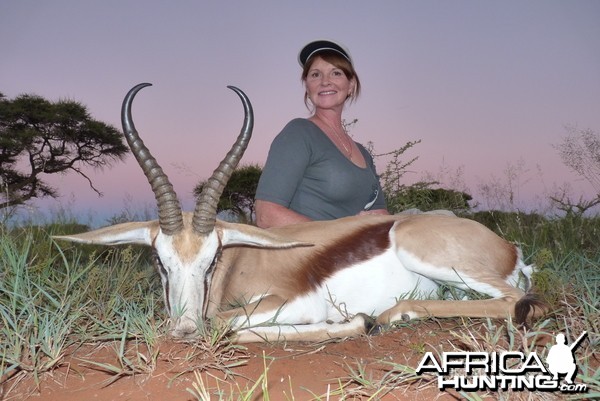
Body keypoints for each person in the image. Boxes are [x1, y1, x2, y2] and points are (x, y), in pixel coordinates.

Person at [255, 39, 389, 228]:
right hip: (314, 254)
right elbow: (266, 216)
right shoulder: (299, 133)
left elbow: (380, 213)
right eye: (315, 75)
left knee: (439, 218)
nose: (325, 81)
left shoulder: (364, 153)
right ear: (307, 86)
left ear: (350, 85)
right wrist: (344, 235)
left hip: (362, 251)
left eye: (336, 73)